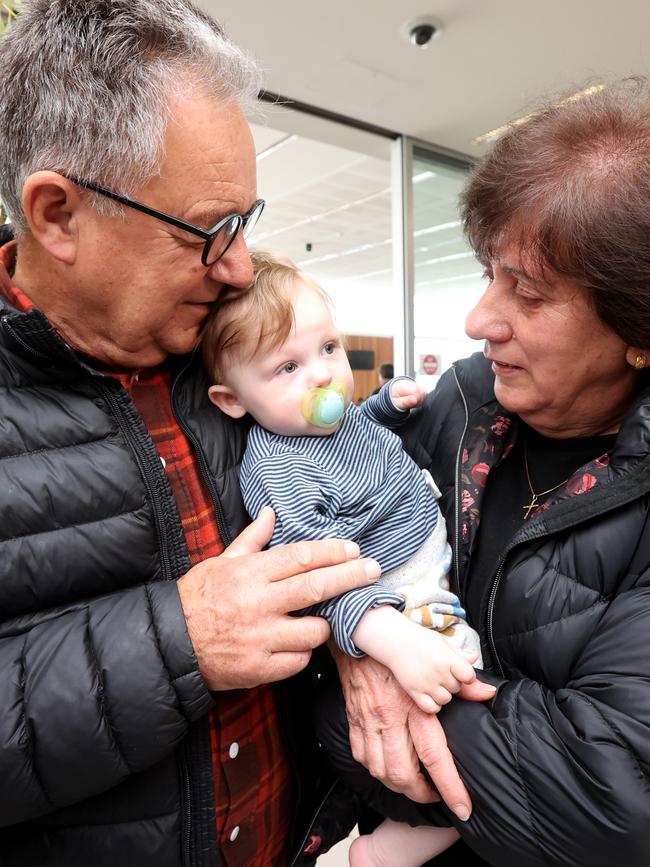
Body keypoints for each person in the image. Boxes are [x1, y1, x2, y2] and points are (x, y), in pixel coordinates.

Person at [0, 2, 389, 865]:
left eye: (246, 223)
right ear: (59, 214)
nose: (241, 267)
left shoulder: (229, 351)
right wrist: (179, 640)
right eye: (211, 231)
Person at [330, 77, 650, 866]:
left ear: (638, 331)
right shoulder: (459, 405)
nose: (478, 321)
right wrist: (356, 642)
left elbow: (610, 806)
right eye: (488, 273)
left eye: (529, 293)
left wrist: (376, 678)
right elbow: (311, 548)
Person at [201, 251, 490, 867]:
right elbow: (317, 579)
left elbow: (357, 425)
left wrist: (388, 404)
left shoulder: (327, 424)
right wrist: (391, 640)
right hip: (395, 593)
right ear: (231, 400)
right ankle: (398, 845)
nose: (322, 378)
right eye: (287, 367)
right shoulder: (278, 471)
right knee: (465, 683)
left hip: (425, 556)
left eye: (329, 349)